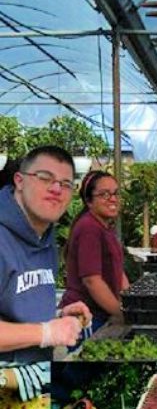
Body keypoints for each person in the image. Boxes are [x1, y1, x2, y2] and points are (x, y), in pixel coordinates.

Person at [0, 145, 92, 363]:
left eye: (66, 184)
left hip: (31, 380)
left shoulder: (45, 234)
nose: (56, 189)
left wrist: (58, 318)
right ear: (19, 181)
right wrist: (46, 333)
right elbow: (40, 332)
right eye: (44, 177)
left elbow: (17, 309)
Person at [60, 170, 130, 333]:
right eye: (104, 194)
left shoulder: (105, 227)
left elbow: (119, 273)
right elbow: (92, 281)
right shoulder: (89, 228)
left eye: (116, 193)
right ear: (89, 201)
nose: (113, 199)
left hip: (101, 314)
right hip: (87, 316)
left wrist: (131, 304)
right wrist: (121, 313)